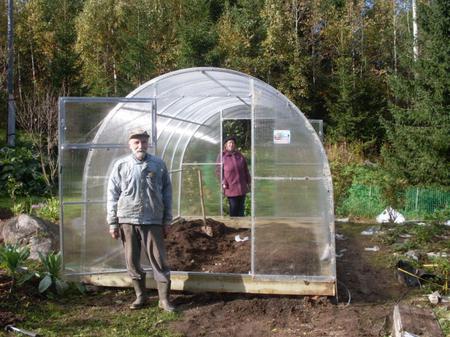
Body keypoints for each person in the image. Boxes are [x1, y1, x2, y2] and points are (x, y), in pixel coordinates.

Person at [106, 128, 175, 311]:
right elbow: (112, 194)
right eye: (136, 142)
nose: (140, 145)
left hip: (153, 219)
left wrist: (167, 220)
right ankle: (140, 296)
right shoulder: (121, 166)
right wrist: (113, 222)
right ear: (130, 144)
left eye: (143, 142)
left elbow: (167, 193)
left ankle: (164, 300)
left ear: (148, 143)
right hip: (127, 220)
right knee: (132, 260)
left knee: (159, 260)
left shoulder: (158, 164)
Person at [217, 135, 251, 217]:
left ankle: (242, 227)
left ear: (234, 145)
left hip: (241, 186)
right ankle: (234, 227)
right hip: (230, 186)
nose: (231, 144)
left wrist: (248, 181)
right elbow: (218, 170)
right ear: (226, 145)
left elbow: (245, 169)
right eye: (229, 143)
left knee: (241, 207)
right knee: (234, 207)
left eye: (232, 143)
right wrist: (223, 181)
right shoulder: (222, 156)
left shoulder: (239, 155)